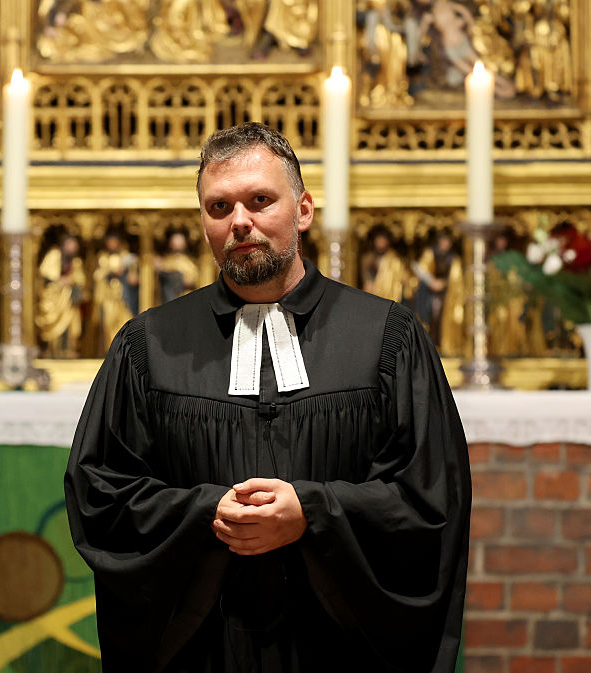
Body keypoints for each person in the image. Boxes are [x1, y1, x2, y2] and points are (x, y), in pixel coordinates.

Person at [65, 122, 471, 673]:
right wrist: (206, 511)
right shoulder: (148, 346)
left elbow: (430, 498)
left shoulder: (386, 338)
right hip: (201, 649)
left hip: (338, 648)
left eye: (260, 200)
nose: (240, 222)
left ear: (302, 210)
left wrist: (313, 512)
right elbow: (99, 495)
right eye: (218, 207)